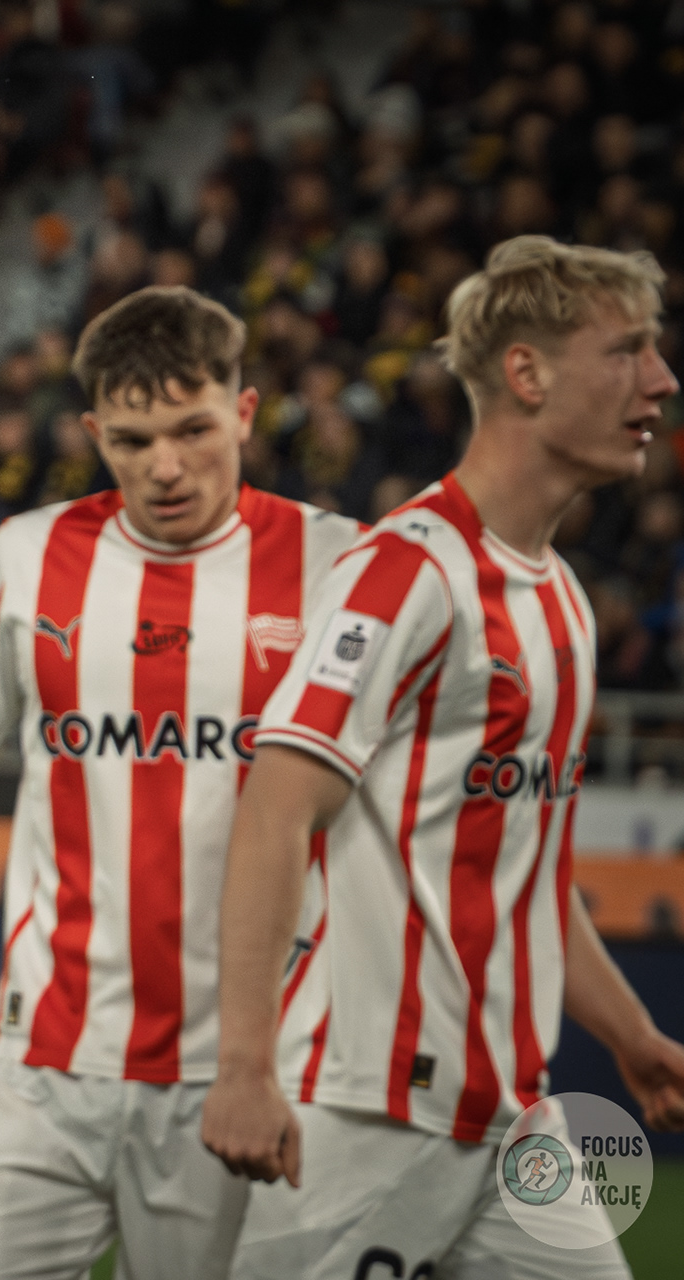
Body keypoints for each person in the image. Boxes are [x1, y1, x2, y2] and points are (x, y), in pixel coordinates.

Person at [202, 237, 684, 1277]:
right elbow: (276, 808)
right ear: (527, 373)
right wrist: (243, 1064)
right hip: (365, 1111)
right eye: (628, 350)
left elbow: (524, 874)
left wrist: (631, 1033)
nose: (661, 379)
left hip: (513, 1118)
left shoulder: (562, 601)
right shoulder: (403, 572)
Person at [0, 286, 361, 1279]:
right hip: (43, 1063)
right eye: (132, 441)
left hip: (248, 1075)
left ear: (245, 412)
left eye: (193, 430)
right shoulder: (28, 555)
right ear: (93, 433)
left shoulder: (338, 565)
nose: (165, 466)